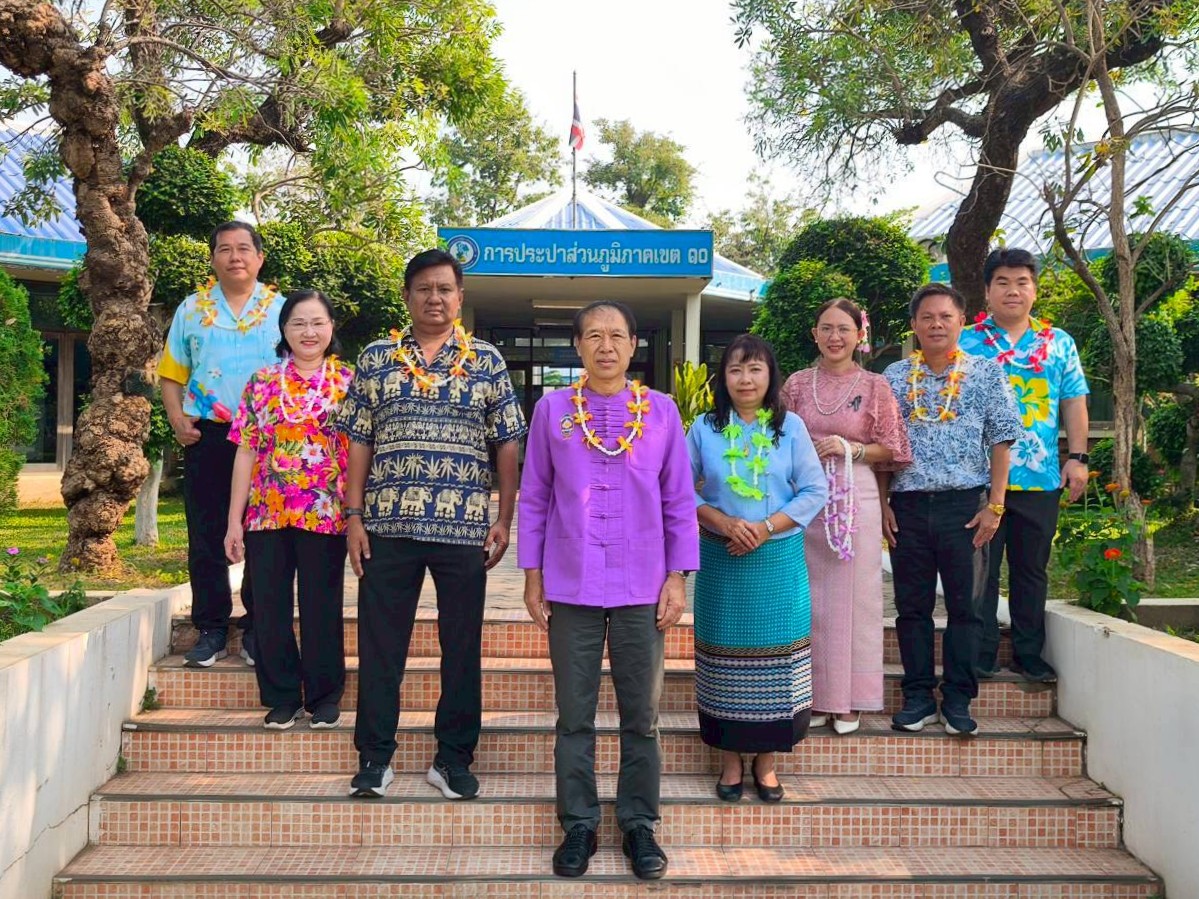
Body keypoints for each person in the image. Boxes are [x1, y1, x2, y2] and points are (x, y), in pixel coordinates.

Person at [518, 300, 698, 881]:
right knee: (574, 714)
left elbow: (678, 499)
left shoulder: (663, 412)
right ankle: (578, 825)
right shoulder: (551, 411)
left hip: (642, 584)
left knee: (640, 715)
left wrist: (677, 577)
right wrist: (532, 574)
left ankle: (639, 824)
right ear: (576, 346)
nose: (605, 346)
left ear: (633, 345)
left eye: (616, 335)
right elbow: (535, 495)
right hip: (571, 581)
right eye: (593, 335)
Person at [337, 248, 525, 801]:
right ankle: (374, 757)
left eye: (445, 289)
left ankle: (454, 757)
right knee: (380, 646)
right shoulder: (376, 358)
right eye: (424, 288)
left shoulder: (486, 360)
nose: (435, 298)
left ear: (460, 297)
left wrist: (504, 517)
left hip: (463, 527)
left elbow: (508, 442)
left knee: (461, 646)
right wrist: (353, 516)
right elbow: (359, 441)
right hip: (386, 525)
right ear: (407, 296)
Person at [689, 334, 827, 803]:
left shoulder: (792, 429)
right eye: (735, 369)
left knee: (778, 660)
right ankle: (729, 760)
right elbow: (679, 491)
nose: (745, 379)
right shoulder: (704, 428)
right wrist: (725, 522)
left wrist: (766, 526)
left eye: (755, 369)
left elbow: (813, 491)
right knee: (723, 660)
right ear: (722, 378)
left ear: (771, 376)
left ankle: (767, 762)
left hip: (777, 558)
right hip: (722, 558)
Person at [881, 284, 1024, 738]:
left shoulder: (985, 373)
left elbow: (1003, 439)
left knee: (967, 608)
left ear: (963, 322)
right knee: (912, 608)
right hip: (907, 504)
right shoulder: (895, 377)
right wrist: (884, 501)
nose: (936, 324)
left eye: (946, 316)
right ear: (915, 325)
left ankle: (958, 698)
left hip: (966, 506)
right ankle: (918, 696)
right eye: (927, 317)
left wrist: (995, 507)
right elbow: (885, 447)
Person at [960, 248, 1090, 684]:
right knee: (981, 569)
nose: (1013, 290)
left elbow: (1073, 402)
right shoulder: (966, 341)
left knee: (1031, 569)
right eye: (1002, 282)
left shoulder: (1059, 343)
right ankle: (980, 654)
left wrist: (1078, 458)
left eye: (1022, 282)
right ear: (987, 290)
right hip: (977, 479)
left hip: (1040, 478)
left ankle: (1028, 654)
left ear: (1034, 289)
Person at [224, 290, 352, 730]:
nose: (308, 332)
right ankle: (280, 695)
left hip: (326, 514)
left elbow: (361, 453)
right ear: (284, 330)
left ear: (331, 328)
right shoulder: (262, 382)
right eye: (298, 323)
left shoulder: (349, 382)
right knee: (271, 608)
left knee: (321, 606)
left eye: (317, 322)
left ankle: (324, 695)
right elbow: (245, 451)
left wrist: (359, 513)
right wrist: (233, 522)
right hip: (267, 514)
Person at [783, 299, 912, 736]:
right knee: (809, 602)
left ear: (860, 334)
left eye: (844, 328)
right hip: (804, 499)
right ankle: (817, 696)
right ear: (814, 334)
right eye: (826, 328)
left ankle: (852, 699)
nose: (835, 337)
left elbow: (893, 449)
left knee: (857, 600)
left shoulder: (875, 385)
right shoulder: (798, 385)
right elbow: (777, 438)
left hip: (856, 496)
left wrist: (849, 448)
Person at [158, 221, 284, 668]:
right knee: (207, 532)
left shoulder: (282, 310)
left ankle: (256, 627)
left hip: (269, 441)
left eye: (244, 249)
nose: (235, 256)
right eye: (225, 249)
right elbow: (172, 373)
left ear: (259, 258)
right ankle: (210, 626)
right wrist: (176, 419)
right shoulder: (191, 310)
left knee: (263, 536)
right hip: (209, 435)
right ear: (213, 258)